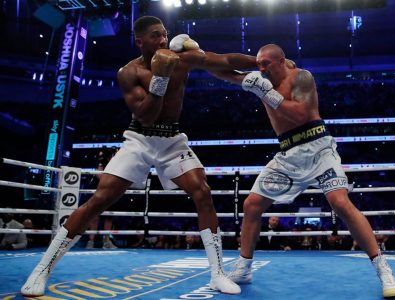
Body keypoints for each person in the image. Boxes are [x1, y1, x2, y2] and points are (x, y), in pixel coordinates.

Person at [21, 16, 256, 297]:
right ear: (140, 41)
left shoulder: (182, 59)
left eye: (165, 34)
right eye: (156, 36)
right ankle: (41, 270)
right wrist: (160, 78)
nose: (163, 40)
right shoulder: (128, 72)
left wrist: (260, 63)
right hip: (140, 139)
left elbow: (224, 60)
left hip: (172, 140)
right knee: (100, 199)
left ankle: (217, 274)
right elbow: (145, 115)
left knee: (202, 192)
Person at [211, 44, 395, 298]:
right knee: (252, 205)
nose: (261, 68)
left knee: (340, 202)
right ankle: (244, 268)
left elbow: (301, 113)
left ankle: (383, 270)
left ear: (281, 61)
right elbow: (225, 73)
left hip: (318, 148)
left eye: (266, 63)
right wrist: (197, 59)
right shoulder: (261, 78)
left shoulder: (301, 77)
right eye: (258, 63)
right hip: (288, 155)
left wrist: (268, 94)